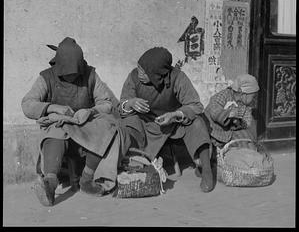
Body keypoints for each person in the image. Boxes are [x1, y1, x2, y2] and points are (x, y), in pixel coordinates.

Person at [21, 37, 120, 206]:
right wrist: (53, 108)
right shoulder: (46, 77)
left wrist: (90, 111)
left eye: (75, 73)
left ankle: (87, 181)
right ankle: (50, 184)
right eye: (67, 73)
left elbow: (106, 103)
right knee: (56, 131)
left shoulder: (90, 75)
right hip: (61, 125)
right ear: (59, 67)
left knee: (107, 126)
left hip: (85, 124)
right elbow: (27, 105)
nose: (73, 76)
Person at [119, 47, 214, 193]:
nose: (140, 73)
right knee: (128, 123)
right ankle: (129, 165)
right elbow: (122, 105)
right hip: (146, 124)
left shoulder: (177, 77)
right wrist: (131, 103)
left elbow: (196, 106)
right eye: (138, 68)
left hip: (173, 123)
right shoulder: (133, 77)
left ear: (156, 73)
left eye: (144, 71)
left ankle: (206, 170)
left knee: (198, 123)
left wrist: (174, 115)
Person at [204, 73, 260, 151]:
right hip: (213, 132)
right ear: (243, 94)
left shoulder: (244, 105)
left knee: (249, 145)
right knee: (208, 149)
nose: (254, 99)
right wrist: (229, 114)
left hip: (230, 133)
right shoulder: (224, 95)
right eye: (253, 96)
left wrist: (241, 123)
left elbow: (246, 122)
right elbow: (214, 110)